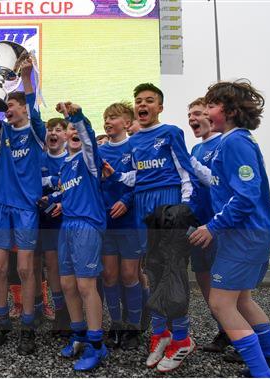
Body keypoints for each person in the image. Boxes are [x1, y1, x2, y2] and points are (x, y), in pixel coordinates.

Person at [105, 83, 199, 372]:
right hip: (143, 208)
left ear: (159, 107)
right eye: (138, 101)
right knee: (153, 273)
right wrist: (117, 175)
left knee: (173, 274)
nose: (142, 105)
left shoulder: (170, 133)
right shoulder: (133, 142)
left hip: (168, 203)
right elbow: (138, 176)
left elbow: (186, 171)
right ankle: (161, 334)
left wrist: (184, 208)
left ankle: (182, 338)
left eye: (149, 100)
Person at [189, 80, 270, 378]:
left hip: (244, 235)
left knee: (220, 302)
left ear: (228, 111)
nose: (205, 111)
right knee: (242, 300)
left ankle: (261, 372)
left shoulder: (235, 142)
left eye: (211, 106)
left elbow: (246, 195)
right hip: (246, 234)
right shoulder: (234, 141)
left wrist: (213, 226)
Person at [0, 58, 46, 355]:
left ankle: (28, 326)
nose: (8, 110)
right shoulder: (3, 132)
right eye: (7, 106)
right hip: (1, 205)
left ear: (24, 109)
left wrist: (27, 79)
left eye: (13, 106)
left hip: (26, 207)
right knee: (0, 268)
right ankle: (3, 322)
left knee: (27, 268)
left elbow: (33, 103)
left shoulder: (35, 131)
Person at [49, 102, 108, 371]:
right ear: (61, 136)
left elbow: (86, 139)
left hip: (86, 226)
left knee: (86, 287)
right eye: (69, 128)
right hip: (67, 226)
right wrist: (55, 200)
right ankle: (78, 336)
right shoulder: (65, 166)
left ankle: (97, 345)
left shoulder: (88, 159)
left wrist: (77, 116)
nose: (72, 131)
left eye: (76, 129)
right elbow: (68, 192)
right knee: (68, 286)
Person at [98, 102, 143, 351]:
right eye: (106, 116)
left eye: (113, 117)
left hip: (129, 223)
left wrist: (126, 201)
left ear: (126, 123)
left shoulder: (135, 147)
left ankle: (133, 326)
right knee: (109, 275)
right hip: (106, 224)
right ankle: (115, 324)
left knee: (129, 275)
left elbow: (143, 180)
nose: (107, 120)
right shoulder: (99, 151)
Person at [186, 97, 227, 353]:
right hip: (198, 227)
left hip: (218, 226)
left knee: (227, 290)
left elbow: (218, 182)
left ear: (211, 116)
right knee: (205, 284)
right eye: (189, 114)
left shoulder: (224, 144)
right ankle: (224, 332)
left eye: (198, 113)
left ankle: (246, 340)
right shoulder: (195, 149)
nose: (192, 118)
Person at [38, 117, 71, 333]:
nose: (53, 133)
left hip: (68, 218)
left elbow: (77, 188)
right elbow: (30, 185)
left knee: (68, 266)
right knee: (51, 265)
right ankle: (60, 312)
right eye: (50, 129)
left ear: (65, 135)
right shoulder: (39, 158)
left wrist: (61, 202)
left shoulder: (71, 158)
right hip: (46, 220)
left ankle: (73, 312)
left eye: (58, 129)